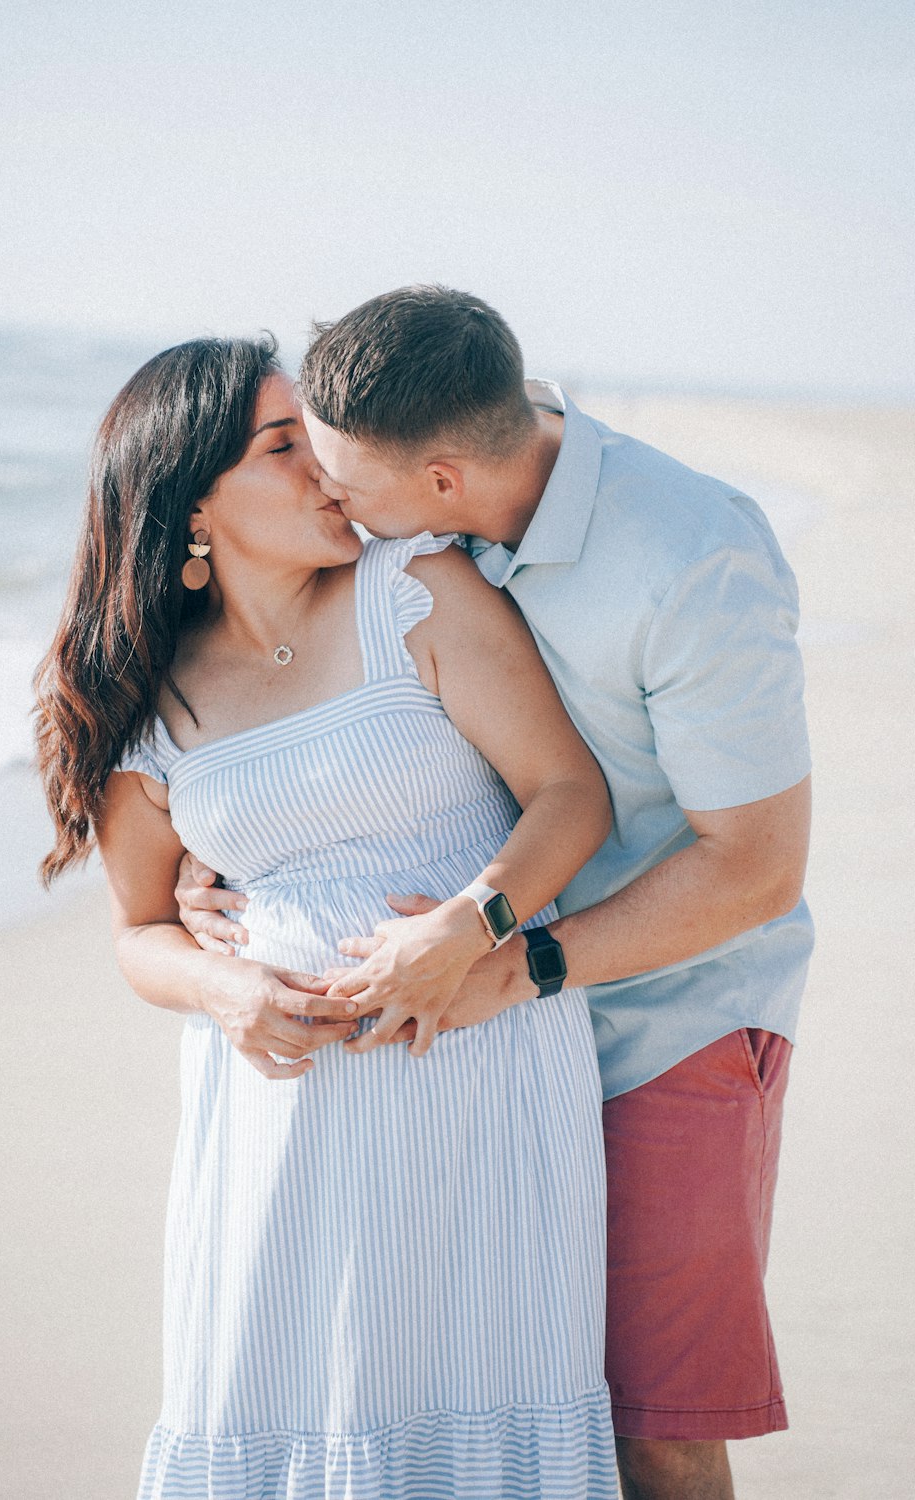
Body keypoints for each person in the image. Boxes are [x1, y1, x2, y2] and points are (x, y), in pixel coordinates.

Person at [178, 288, 813, 1500]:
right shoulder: (427, 499)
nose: (326, 497)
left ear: (443, 485)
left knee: (652, 1419)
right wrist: (237, 832)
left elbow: (755, 867)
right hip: (474, 1034)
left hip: (667, 1019)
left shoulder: (694, 562)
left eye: (344, 484)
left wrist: (503, 960)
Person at [34, 335, 620, 1499]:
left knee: (482, 1396)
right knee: (287, 1398)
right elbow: (140, 932)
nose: (328, 470)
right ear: (190, 500)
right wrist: (225, 991)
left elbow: (570, 794)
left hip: (479, 1073)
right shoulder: (146, 703)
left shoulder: (414, 589)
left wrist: (472, 921)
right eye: (283, 444)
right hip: (281, 1124)